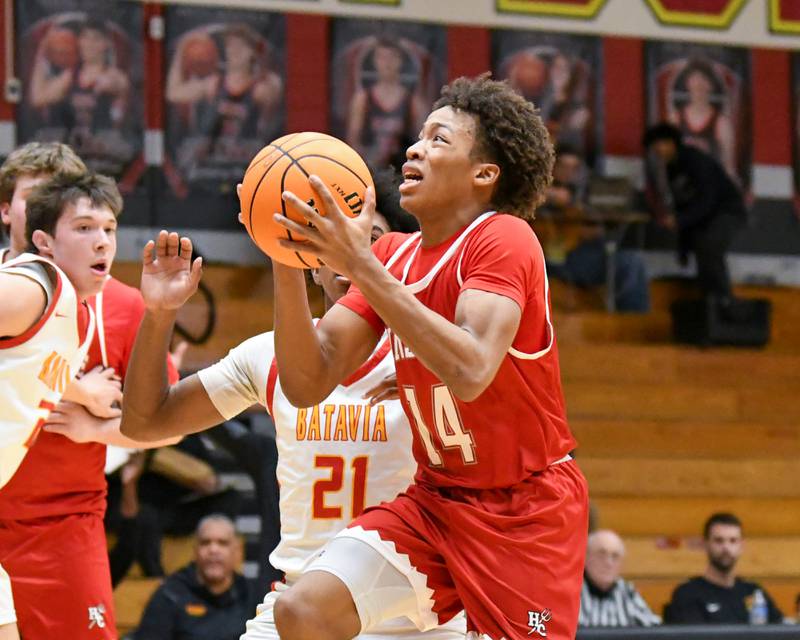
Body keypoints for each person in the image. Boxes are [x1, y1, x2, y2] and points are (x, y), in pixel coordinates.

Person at [262, 73, 587, 639]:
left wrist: (361, 264)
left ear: (484, 174)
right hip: (436, 503)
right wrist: (284, 261)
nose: (414, 148)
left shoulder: (504, 239)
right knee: (302, 610)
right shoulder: (392, 253)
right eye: (418, 137)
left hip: (525, 512)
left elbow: (469, 370)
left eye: (439, 139)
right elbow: (307, 381)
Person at [120, 170, 466, 639]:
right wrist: (159, 314)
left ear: (400, 257)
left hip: (413, 614)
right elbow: (144, 422)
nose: (349, 253)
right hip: (298, 602)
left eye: (371, 239)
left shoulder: (433, 354)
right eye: (333, 238)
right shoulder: (268, 356)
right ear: (310, 257)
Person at [0, 168, 180, 639]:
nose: (102, 242)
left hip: (62, 520)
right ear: (44, 241)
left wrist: (86, 405)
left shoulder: (73, 305)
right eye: (84, 229)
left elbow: (31, 364)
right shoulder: (37, 285)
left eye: (109, 230)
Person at [539, 144, 649, 312]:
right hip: (553, 260)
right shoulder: (537, 190)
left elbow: (595, 223)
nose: (568, 172)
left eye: (574, 167)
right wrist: (551, 195)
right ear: (552, 165)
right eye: (564, 166)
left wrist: (592, 229)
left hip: (585, 253)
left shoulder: (584, 193)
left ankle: (635, 324)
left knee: (632, 261)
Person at [643, 122, 746, 301]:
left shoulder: (695, 160)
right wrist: (682, 245)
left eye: (657, 145)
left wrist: (681, 220)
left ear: (670, 143)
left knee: (709, 246)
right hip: (706, 216)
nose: (656, 151)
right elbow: (684, 205)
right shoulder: (672, 169)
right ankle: (710, 303)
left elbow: (707, 199)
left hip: (727, 210)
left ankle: (724, 301)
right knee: (703, 249)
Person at [133, 515, 252, 640]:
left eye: (223, 543)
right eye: (205, 543)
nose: (213, 550)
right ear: (195, 551)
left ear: (237, 551)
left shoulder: (250, 594)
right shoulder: (169, 595)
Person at [664, 513, 783, 625]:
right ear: (705, 544)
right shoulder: (688, 593)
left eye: (733, 540)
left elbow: (783, 631)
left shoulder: (754, 592)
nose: (726, 548)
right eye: (719, 540)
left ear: (741, 546)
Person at [346, 38, 427, 168]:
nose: (387, 63)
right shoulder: (362, 99)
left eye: (392, 57)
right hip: (370, 171)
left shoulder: (413, 102)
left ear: (400, 61)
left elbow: (423, 142)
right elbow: (353, 141)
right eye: (381, 57)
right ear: (374, 61)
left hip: (402, 173)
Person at [667, 58, 736, 181]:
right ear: (687, 84)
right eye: (694, 80)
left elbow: (728, 166)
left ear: (711, 85)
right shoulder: (675, 119)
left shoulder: (721, 123)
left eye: (703, 80)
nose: (698, 85)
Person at [579, 530, 660, 628]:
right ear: (585, 557)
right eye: (601, 554)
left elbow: (653, 628)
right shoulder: (570, 592)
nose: (608, 563)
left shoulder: (627, 592)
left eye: (615, 556)